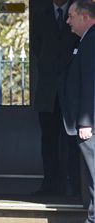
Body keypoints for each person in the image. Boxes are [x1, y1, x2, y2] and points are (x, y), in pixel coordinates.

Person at [32, 0, 80, 196]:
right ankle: (50, 185)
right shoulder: (41, 15)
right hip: (48, 90)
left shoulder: (77, 11)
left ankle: (77, 186)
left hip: (72, 89)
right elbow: (36, 46)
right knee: (49, 141)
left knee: (74, 142)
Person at [64, 1, 95, 222]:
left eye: (71, 16)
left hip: (90, 124)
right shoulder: (85, 40)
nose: (68, 21)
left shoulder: (91, 41)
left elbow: (90, 83)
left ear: (85, 17)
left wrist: (85, 121)